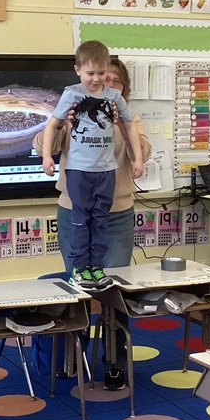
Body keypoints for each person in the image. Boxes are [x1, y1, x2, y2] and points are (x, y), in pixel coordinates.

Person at [34, 58, 151, 387]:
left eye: (115, 81)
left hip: (117, 214)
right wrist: (62, 126)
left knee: (114, 290)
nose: (106, 84)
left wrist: (114, 123)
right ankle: (73, 356)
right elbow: (42, 145)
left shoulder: (127, 114)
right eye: (102, 78)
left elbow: (141, 150)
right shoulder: (73, 104)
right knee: (79, 284)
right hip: (74, 211)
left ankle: (114, 361)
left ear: (123, 87)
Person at [41, 41, 143, 289]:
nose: (100, 81)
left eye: (108, 77)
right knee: (80, 221)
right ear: (78, 71)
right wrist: (50, 150)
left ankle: (96, 268)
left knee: (115, 278)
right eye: (92, 74)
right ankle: (81, 269)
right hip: (77, 179)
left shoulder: (118, 104)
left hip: (115, 202)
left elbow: (139, 143)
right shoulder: (72, 98)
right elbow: (48, 131)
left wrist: (134, 152)